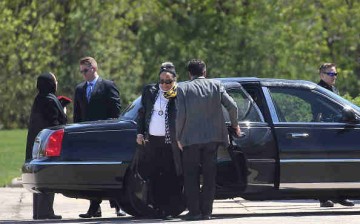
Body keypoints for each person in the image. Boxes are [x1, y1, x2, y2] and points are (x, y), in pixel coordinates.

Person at [175, 59, 241, 220]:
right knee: (209, 176)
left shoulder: (183, 88)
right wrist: (235, 125)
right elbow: (233, 106)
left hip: (190, 139)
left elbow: (181, 115)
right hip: (213, 138)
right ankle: (206, 212)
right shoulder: (216, 85)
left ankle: (194, 211)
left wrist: (178, 136)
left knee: (191, 176)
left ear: (189, 74)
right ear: (205, 72)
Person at [73, 56, 125, 218]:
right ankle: (94, 207)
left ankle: (118, 206)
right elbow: (77, 115)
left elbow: (116, 111)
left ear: (94, 69)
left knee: (111, 171)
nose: (83, 74)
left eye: (85, 71)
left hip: (105, 135)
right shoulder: (80, 89)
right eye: (81, 71)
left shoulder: (107, 86)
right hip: (88, 138)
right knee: (91, 173)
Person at [136, 62, 183, 218]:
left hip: (171, 142)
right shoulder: (150, 91)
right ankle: (156, 208)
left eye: (168, 81)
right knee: (154, 175)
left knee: (171, 175)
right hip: (152, 140)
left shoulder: (179, 93)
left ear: (175, 80)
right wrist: (140, 132)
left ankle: (170, 209)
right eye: (161, 81)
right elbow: (142, 113)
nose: (164, 84)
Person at [26, 72, 67, 220]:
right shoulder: (50, 100)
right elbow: (56, 124)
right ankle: (45, 212)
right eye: (55, 81)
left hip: (37, 145)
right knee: (48, 177)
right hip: (48, 147)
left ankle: (38, 212)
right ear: (50, 83)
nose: (56, 83)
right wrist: (64, 112)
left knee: (39, 180)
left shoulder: (39, 99)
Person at [317, 63, 355, 208]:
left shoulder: (333, 89)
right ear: (322, 75)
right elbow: (321, 111)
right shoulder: (318, 90)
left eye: (335, 74)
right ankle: (323, 198)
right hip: (325, 131)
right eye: (331, 74)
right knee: (325, 166)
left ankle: (341, 196)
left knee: (339, 165)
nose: (334, 77)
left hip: (337, 130)